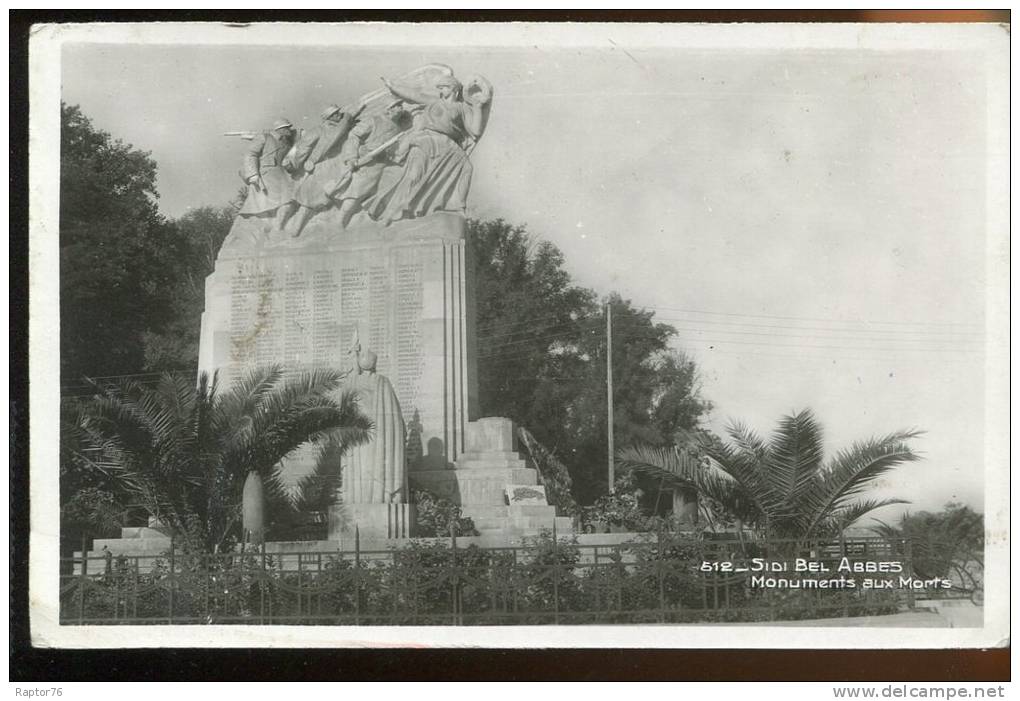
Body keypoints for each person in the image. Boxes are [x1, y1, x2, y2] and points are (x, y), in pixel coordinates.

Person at [366, 73, 491, 225]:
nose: (441, 91)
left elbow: (475, 131)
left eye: (443, 87)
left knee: (467, 168)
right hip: (426, 140)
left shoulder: (462, 108)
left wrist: (478, 106)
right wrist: (393, 86)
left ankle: (457, 208)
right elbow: (414, 95)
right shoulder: (434, 101)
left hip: (449, 145)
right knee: (413, 176)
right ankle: (391, 213)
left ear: (454, 90)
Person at [340, 340, 407, 505]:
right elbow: (395, 419)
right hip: (372, 436)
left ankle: (365, 499)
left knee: (367, 467)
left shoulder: (357, 382)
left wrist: (353, 360)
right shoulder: (381, 382)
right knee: (371, 467)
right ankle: (378, 498)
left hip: (364, 435)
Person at [329, 98, 411, 229]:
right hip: (368, 163)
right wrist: (351, 157)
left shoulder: (397, 129)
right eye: (396, 105)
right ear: (389, 109)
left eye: (401, 106)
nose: (400, 108)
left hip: (385, 164)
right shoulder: (374, 120)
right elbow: (354, 136)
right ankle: (339, 222)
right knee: (356, 193)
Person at [284, 103, 363, 237]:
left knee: (343, 194)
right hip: (321, 167)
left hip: (338, 166)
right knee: (309, 201)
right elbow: (303, 147)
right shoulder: (320, 130)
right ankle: (295, 231)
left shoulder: (344, 126)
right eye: (335, 113)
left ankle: (336, 226)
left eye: (339, 112)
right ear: (329, 117)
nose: (339, 115)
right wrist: (295, 163)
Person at [237, 118, 299, 231]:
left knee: (290, 200)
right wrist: (253, 174)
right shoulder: (265, 137)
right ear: (281, 129)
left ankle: (278, 227)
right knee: (282, 201)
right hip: (267, 175)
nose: (290, 130)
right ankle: (275, 228)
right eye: (287, 128)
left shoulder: (286, 142)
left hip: (282, 174)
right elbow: (250, 154)